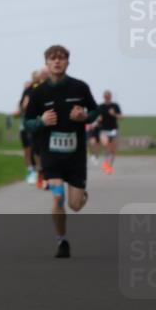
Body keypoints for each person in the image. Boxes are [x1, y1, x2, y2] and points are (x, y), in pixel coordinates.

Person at [23, 44, 97, 259]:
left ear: (67, 62)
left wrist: (85, 116)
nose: (57, 61)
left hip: (75, 157)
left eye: (61, 58)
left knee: (74, 206)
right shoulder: (39, 92)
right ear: (46, 63)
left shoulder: (80, 87)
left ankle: (81, 196)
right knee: (57, 198)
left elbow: (94, 111)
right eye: (53, 58)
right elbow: (27, 123)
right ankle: (61, 240)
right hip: (51, 155)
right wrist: (41, 121)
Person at [98, 90, 123, 174]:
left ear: (110, 96)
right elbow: (96, 117)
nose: (107, 97)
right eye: (105, 96)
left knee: (113, 150)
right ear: (104, 97)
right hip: (104, 130)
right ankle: (106, 163)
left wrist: (114, 114)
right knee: (106, 145)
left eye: (108, 96)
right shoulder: (100, 106)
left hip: (114, 130)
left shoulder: (115, 106)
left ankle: (109, 166)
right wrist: (98, 119)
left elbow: (121, 117)